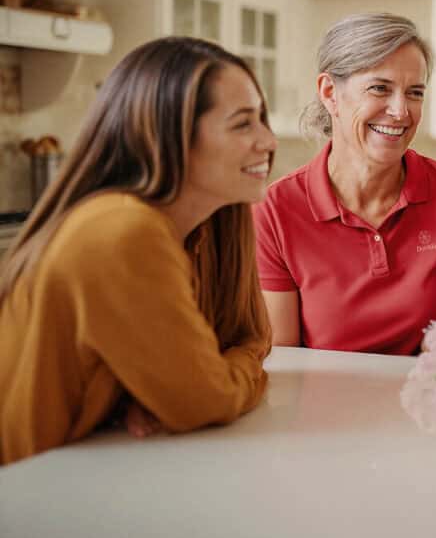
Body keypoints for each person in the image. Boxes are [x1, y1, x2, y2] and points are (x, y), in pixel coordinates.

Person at [0, 37, 276, 466]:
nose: (268, 140)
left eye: (261, 118)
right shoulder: (124, 231)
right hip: (24, 490)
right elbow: (205, 399)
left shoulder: (212, 225)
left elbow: (250, 338)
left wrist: (176, 384)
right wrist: (193, 383)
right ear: (170, 135)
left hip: (85, 469)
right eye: (243, 124)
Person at [254, 13, 436, 353]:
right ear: (330, 92)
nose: (401, 111)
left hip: (429, 396)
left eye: (415, 93)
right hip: (323, 402)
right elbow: (285, 360)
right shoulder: (276, 210)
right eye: (380, 88)